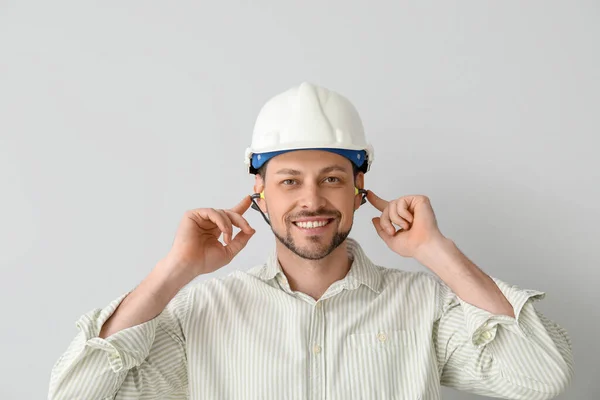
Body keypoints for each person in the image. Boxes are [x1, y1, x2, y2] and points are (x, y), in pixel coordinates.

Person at [48, 82, 574, 399]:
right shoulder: (203, 311)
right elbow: (76, 393)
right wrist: (175, 271)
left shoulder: (424, 306)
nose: (312, 201)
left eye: (331, 178)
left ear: (357, 188)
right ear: (259, 192)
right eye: (289, 180)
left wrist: (437, 252)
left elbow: (540, 377)